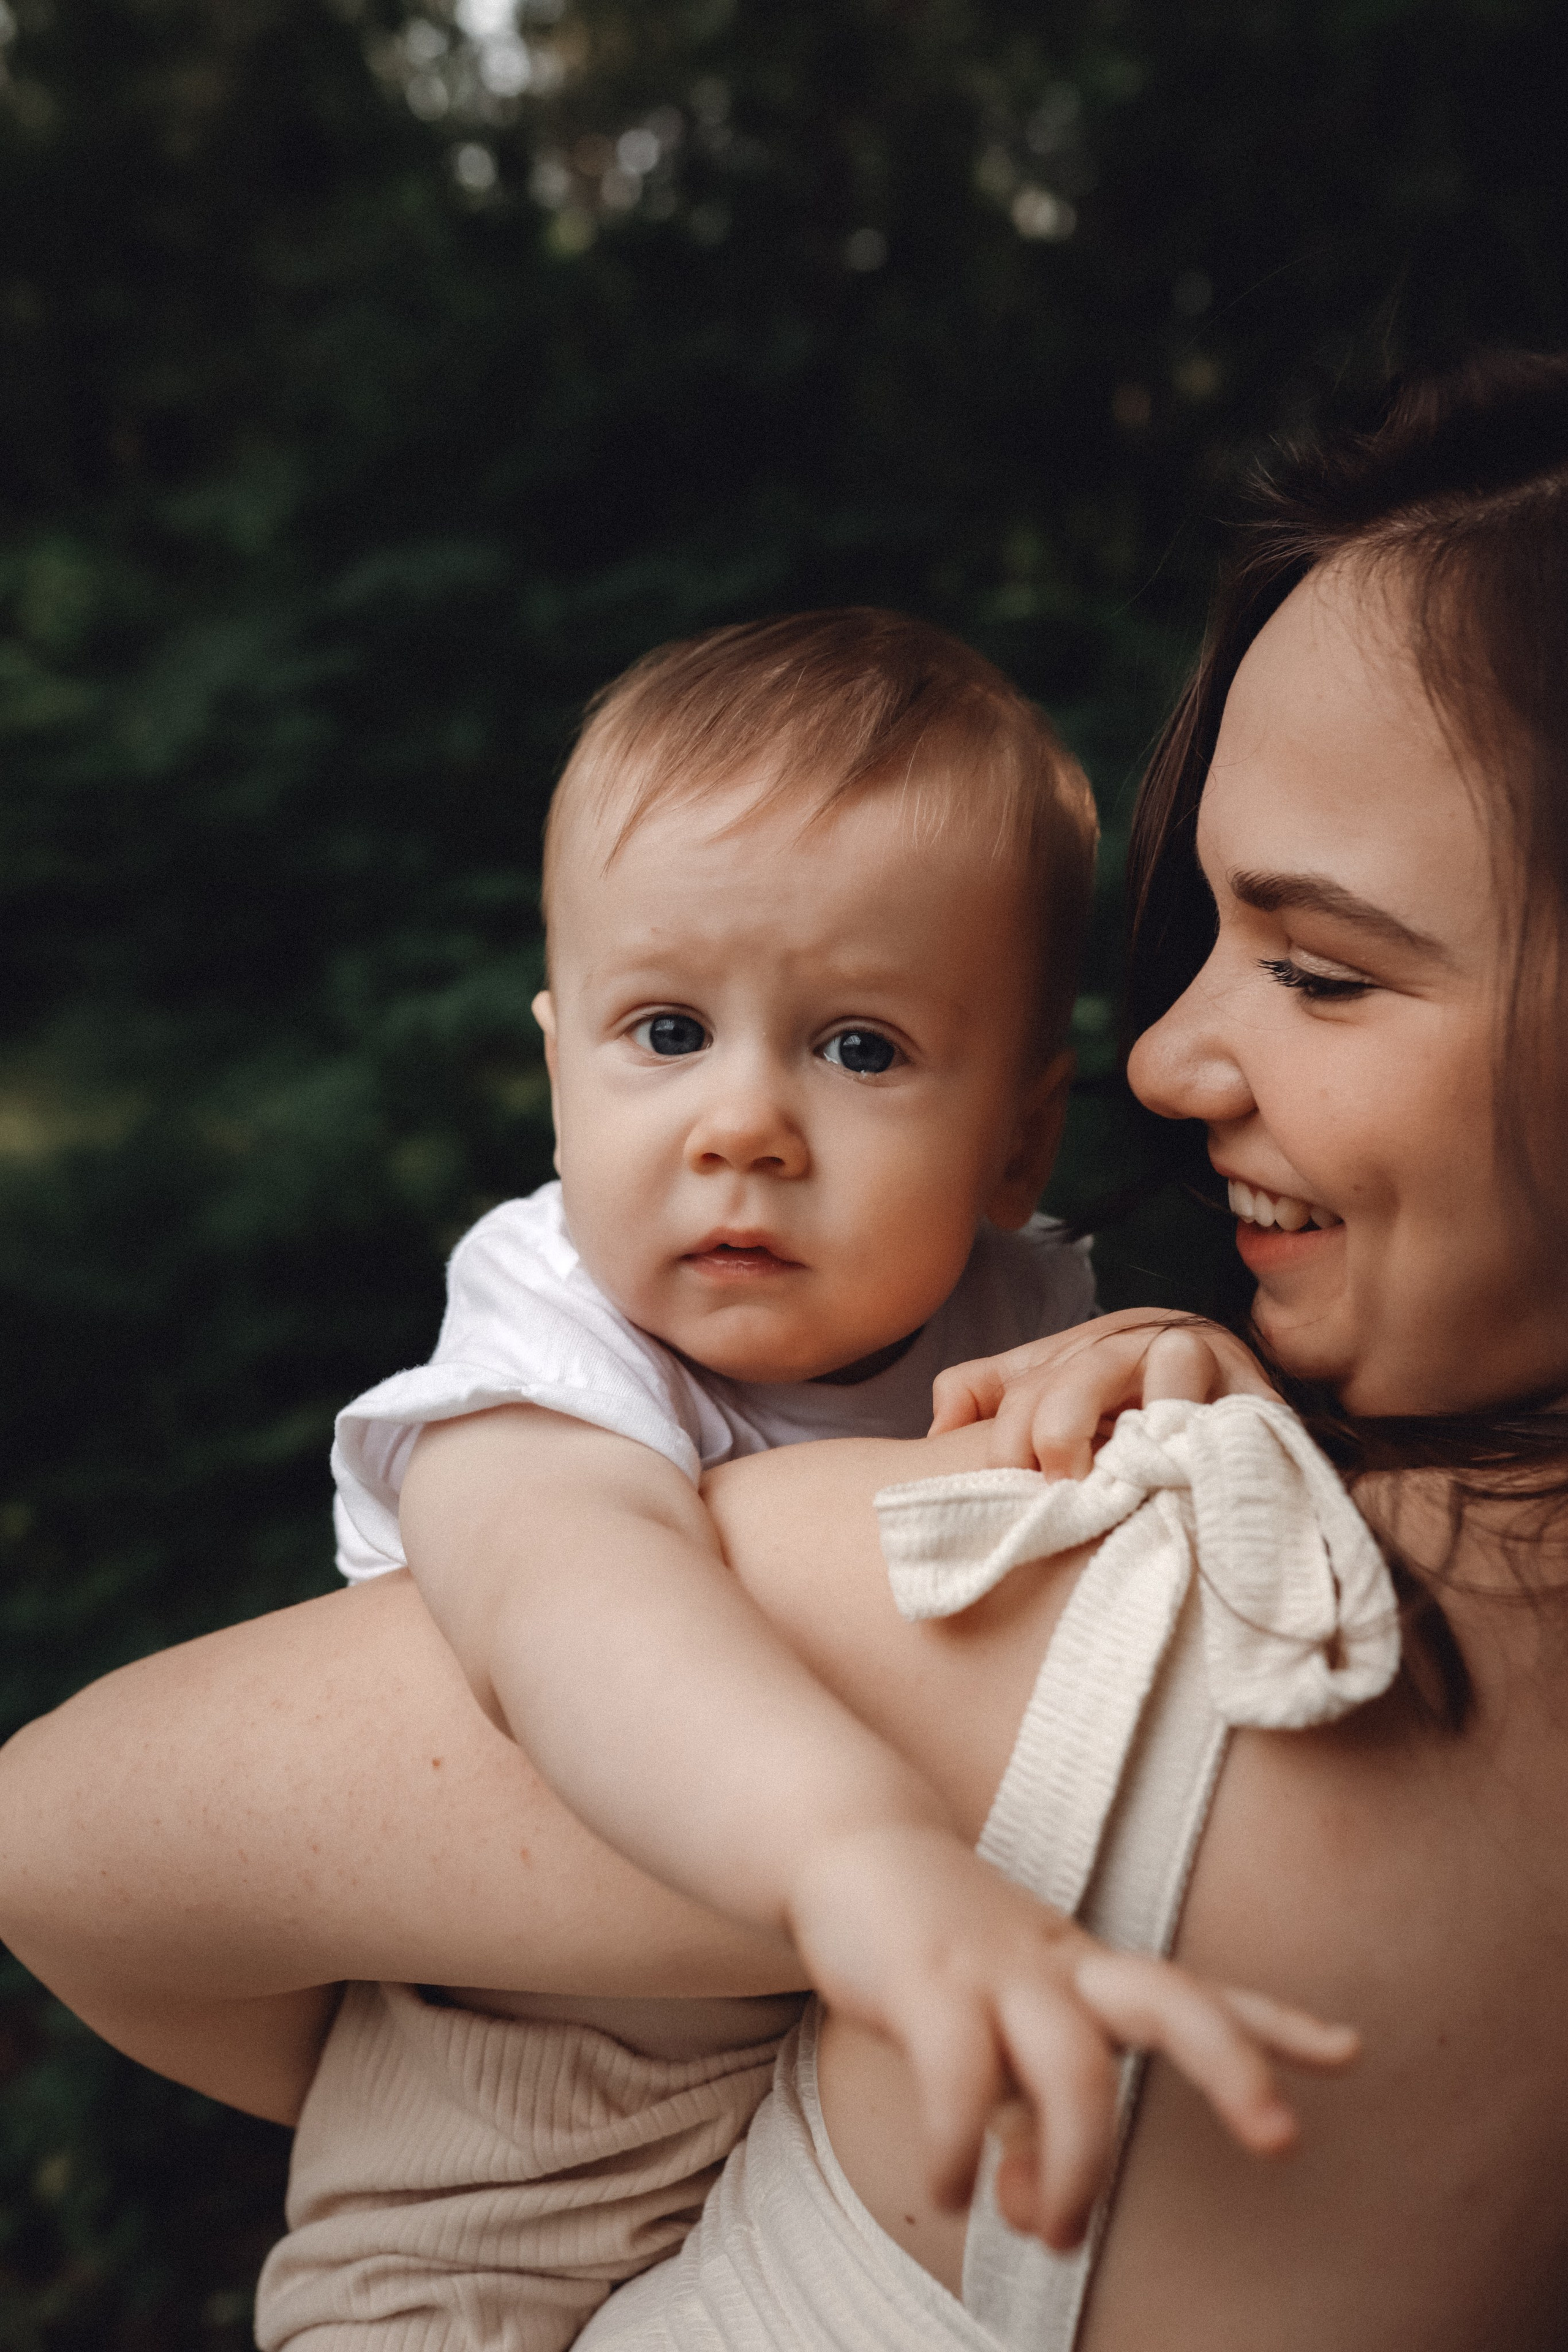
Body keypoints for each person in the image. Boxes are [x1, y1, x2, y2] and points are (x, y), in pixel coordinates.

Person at [6, 345, 1568, 2349]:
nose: (1175, 1062)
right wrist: (863, 1868)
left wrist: (1176, 1356)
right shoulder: (548, 1333)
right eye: (666, 1035)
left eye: (1326, 969)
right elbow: (569, 1598)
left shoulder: (1036, 1396)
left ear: (1016, 1136)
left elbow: (68, 1836)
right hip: (471, 2197)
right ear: (557, 1069)